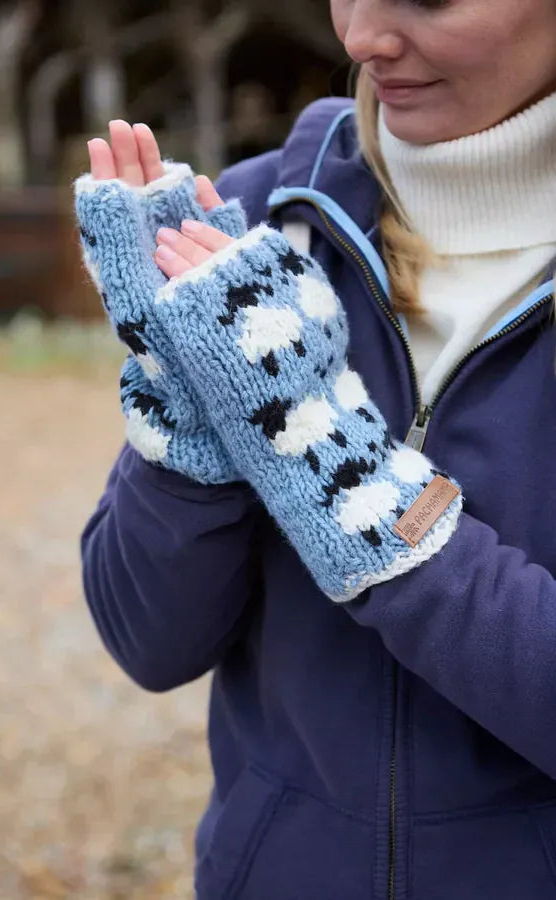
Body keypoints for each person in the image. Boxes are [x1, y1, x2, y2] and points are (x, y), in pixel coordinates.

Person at [76, 0, 556, 897]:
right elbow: (147, 641)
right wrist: (186, 419)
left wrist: (345, 476)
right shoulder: (251, 224)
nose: (362, 37)